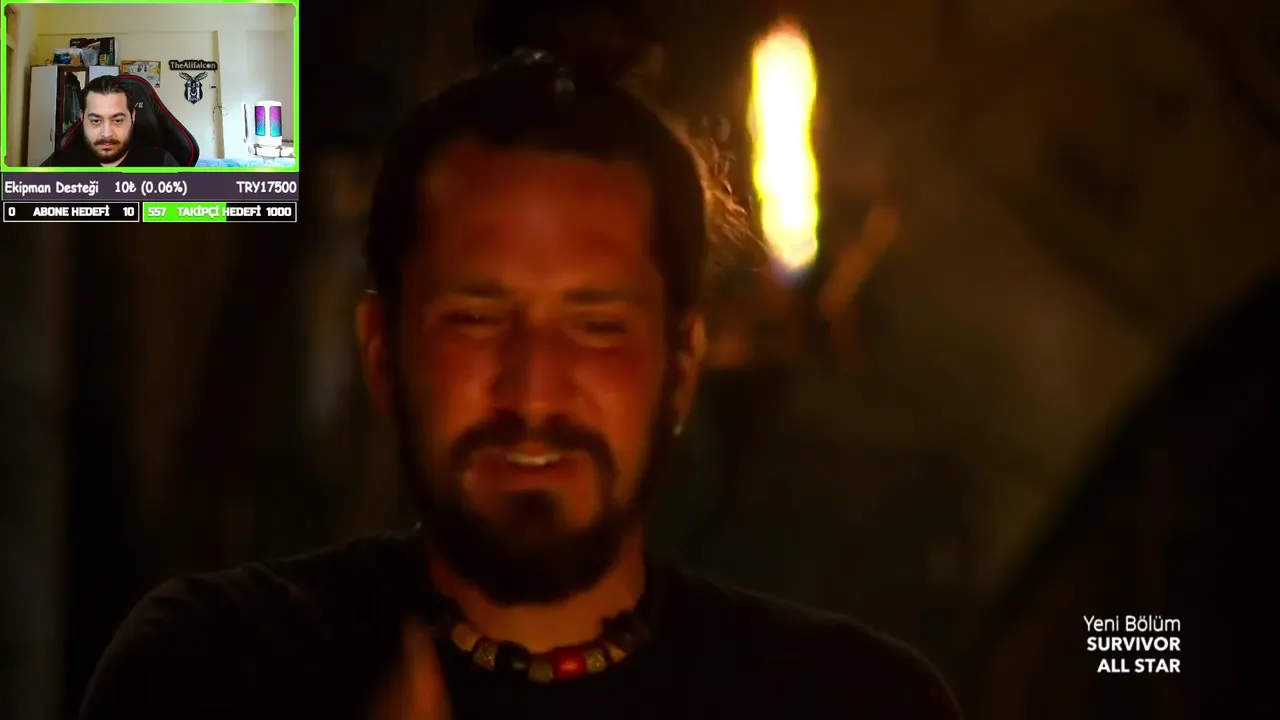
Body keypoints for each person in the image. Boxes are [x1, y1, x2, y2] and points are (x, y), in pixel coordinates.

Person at [78, 8, 962, 720]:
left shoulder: (848, 700)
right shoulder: (214, 670)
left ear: (681, 364)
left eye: (597, 326)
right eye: (475, 318)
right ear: (382, 351)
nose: (534, 389)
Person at [41, 74, 179, 167]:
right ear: (82, 118)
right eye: (96, 121)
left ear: (133, 116)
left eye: (117, 120)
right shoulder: (60, 165)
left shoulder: (162, 165)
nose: (106, 134)